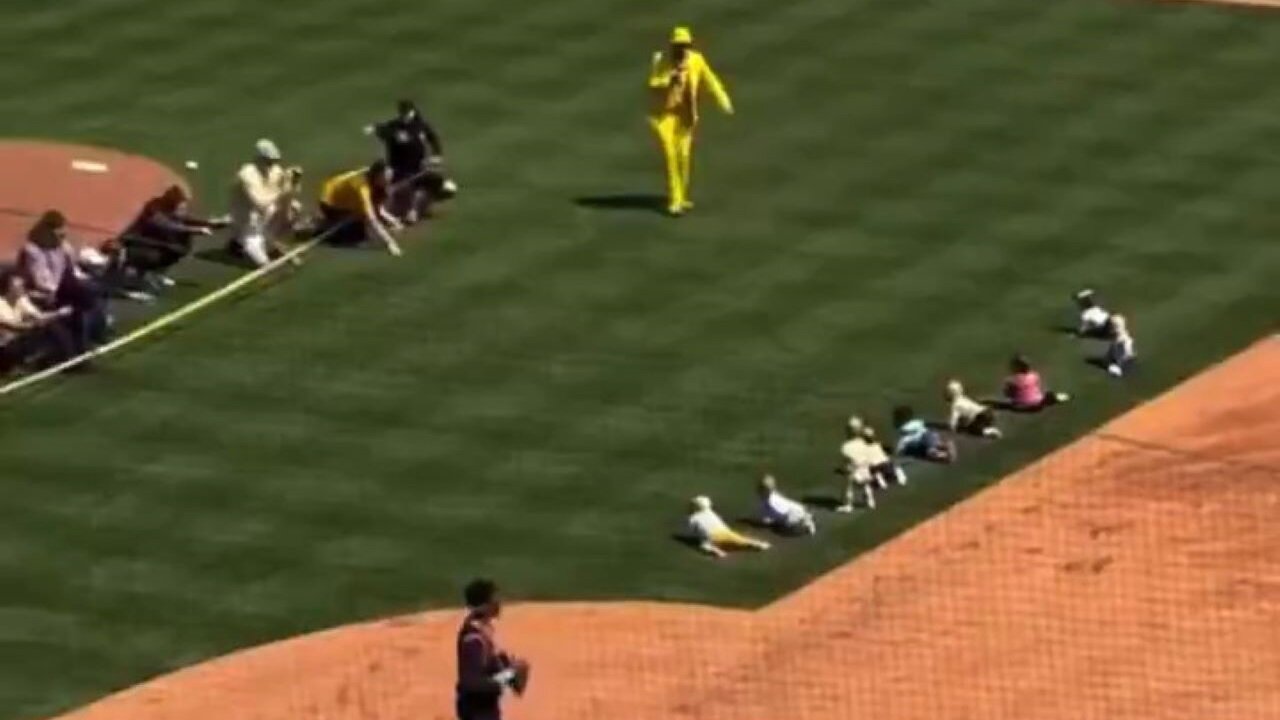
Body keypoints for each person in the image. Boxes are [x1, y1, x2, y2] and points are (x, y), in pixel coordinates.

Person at [647, 26, 734, 216]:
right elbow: (653, 84)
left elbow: (711, 80)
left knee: (684, 156)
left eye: (685, 46)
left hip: (686, 114)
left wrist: (723, 99)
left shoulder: (696, 61)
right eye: (678, 46)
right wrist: (669, 78)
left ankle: (682, 196)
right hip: (664, 115)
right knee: (670, 155)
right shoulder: (664, 62)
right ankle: (675, 200)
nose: (682, 50)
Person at [18, 210, 110, 353]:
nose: (63, 236)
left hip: (65, 289)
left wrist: (83, 280)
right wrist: (63, 290)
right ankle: (81, 345)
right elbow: (41, 281)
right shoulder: (33, 250)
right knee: (83, 297)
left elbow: (73, 270)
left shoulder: (62, 246)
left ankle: (98, 332)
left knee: (94, 290)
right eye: (59, 233)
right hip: (43, 294)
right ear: (47, 231)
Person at [118, 185, 227, 293]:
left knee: (178, 247)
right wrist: (196, 230)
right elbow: (168, 226)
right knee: (156, 255)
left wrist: (210, 223)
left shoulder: (173, 208)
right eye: (181, 204)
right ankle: (134, 281)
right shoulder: (154, 209)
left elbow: (185, 220)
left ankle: (157, 273)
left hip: (157, 241)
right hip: (138, 243)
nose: (183, 207)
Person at [365, 99, 456, 222]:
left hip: (418, 166)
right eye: (403, 113)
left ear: (412, 112)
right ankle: (410, 211)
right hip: (399, 168)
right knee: (409, 190)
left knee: (444, 187)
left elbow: (432, 138)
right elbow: (382, 129)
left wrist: (437, 155)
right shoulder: (394, 127)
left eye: (407, 113)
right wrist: (373, 128)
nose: (405, 116)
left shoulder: (420, 125)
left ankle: (417, 207)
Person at [456, 579, 529, 720]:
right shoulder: (473, 640)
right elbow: (472, 684)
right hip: (477, 713)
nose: (498, 603)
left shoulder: (482, 630)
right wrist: (510, 674)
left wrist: (510, 670)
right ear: (483, 606)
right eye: (493, 599)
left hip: (484, 710)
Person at [228, 139, 305, 267]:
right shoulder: (247, 175)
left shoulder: (275, 171)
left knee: (295, 207)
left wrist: (294, 182)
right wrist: (282, 191)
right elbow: (260, 204)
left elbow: (292, 193)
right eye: (268, 161)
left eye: (274, 161)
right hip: (248, 224)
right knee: (265, 264)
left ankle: (270, 239)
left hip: (264, 217)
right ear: (259, 159)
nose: (272, 165)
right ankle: (241, 242)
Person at [316, 160, 403, 256]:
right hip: (329, 201)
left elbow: (377, 207)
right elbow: (371, 219)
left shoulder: (372, 179)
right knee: (356, 232)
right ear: (377, 177)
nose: (388, 183)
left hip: (347, 198)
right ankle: (322, 228)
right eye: (385, 180)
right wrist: (390, 243)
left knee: (361, 225)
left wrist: (391, 220)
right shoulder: (362, 188)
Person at [0, 273, 76, 372]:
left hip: (18, 340)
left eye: (22, 286)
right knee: (47, 328)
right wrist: (36, 325)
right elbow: (15, 327)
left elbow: (39, 316)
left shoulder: (21, 300)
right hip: (4, 348)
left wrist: (59, 313)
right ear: (7, 290)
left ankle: (67, 358)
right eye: (18, 287)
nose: (23, 289)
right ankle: (65, 360)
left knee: (53, 327)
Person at [838, 417, 906, 511]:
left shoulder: (846, 447)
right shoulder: (864, 443)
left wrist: (844, 469)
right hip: (868, 473)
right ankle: (870, 499)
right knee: (865, 483)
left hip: (857, 476)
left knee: (847, 480)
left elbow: (846, 463)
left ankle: (848, 505)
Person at [684, 495, 770, 558]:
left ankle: (716, 551)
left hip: (712, 537)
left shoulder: (692, 518)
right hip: (727, 533)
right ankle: (757, 544)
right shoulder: (712, 514)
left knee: (703, 546)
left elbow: (692, 534)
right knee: (741, 541)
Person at [1003, 354, 1071, 411]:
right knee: (1047, 394)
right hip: (1038, 404)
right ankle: (1063, 396)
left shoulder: (1010, 380)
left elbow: (1008, 394)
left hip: (1020, 406)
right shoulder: (1034, 375)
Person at [893, 405, 957, 464]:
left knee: (930, 447)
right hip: (923, 441)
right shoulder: (905, 439)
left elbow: (905, 430)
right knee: (929, 450)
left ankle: (943, 450)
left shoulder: (911, 425)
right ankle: (943, 453)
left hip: (924, 438)